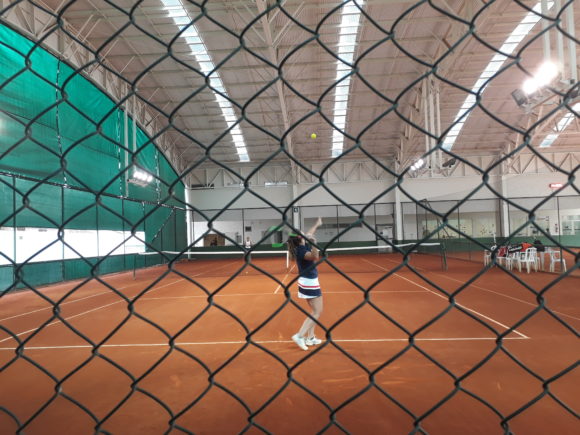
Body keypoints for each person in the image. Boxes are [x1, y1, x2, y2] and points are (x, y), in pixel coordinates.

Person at [287, 217, 324, 351]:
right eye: (303, 234)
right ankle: (299, 336)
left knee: (314, 311)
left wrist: (317, 224)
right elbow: (314, 256)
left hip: (306, 281)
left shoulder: (301, 246)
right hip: (310, 282)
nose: (306, 234)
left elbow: (309, 233)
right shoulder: (302, 250)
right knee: (317, 311)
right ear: (300, 238)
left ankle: (311, 337)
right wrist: (314, 243)